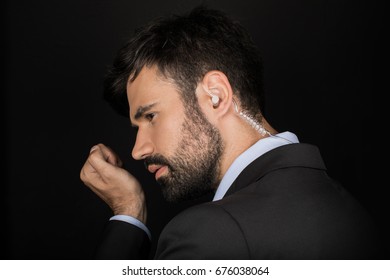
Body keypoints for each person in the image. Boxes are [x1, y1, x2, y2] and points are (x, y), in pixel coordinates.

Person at [80, 6, 378, 259]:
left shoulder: (209, 234)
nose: (138, 150)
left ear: (216, 96)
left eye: (151, 116)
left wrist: (127, 214)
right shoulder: (354, 213)